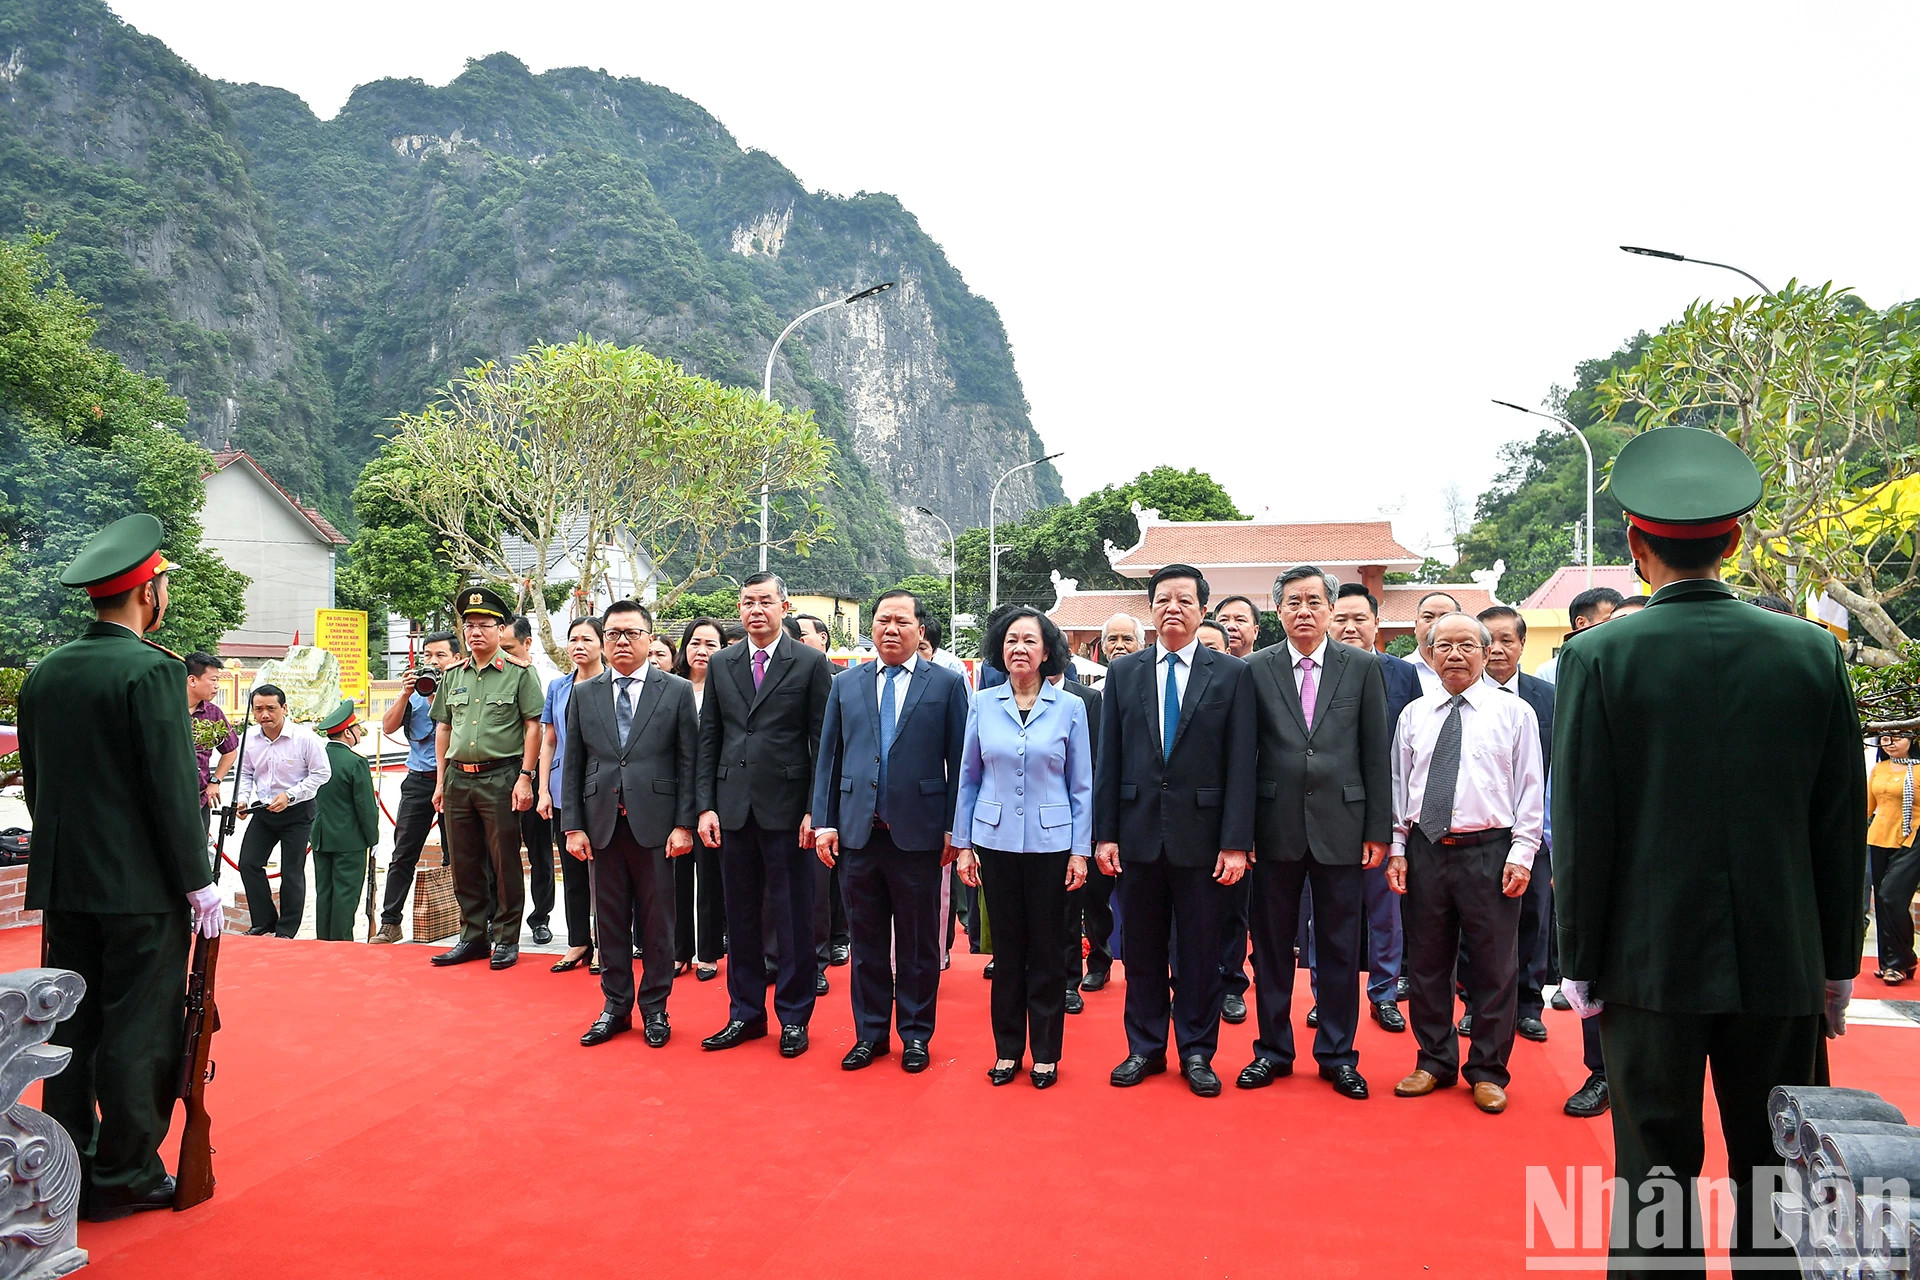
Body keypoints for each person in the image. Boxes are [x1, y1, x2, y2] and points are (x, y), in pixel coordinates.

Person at [1554, 426, 1865, 1268]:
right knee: (1777, 1168)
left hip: (1646, 960)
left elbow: (1582, 823)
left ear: (1634, 543)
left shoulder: (1595, 655)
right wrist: (1837, 963)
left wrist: (1578, 958)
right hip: (1783, 957)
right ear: (1734, 540)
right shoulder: (1813, 654)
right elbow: (1839, 826)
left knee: (1654, 1167)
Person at [18, 513, 223, 1220]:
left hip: (67, 885)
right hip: (141, 892)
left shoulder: (46, 673)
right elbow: (171, 788)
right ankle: (125, 1175)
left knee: (67, 1030)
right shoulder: (152, 670)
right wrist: (197, 879)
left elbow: (38, 786)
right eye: (163, 584)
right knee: (138, 1029)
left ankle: (60, 1166)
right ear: (148, 594)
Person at [1096, 563, 1256, 1098]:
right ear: (1151, 607)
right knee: (1140, 949)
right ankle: (1144, 1047)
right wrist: (1105, 833)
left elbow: (1241, 765)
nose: (1172, 608)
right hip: (1137, 835)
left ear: (1202, 609)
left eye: (1184, 600)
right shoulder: (1124, 673)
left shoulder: (1231, 674)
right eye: (1163, 599)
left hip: (1204, 839)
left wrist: (1236, 842)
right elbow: (1109, 760)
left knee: (1199, 950)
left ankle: (1196, 1050)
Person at [1237, 565, 1391, 1100]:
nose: (1304, 611)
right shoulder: (1254, 669)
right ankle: (1272, 1051)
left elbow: (1377, 752)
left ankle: (1337, 1054)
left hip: (1343, 828)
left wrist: (1378, 829)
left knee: (1340, 947)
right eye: (1293, 603)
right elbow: (1242, 757)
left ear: (1330, 609)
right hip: (1272, 826)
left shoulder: (1362, 668)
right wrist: (1241, 830)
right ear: (1276, 612)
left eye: (1314, 602)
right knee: (1273, 946)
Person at [1387, 613, 1543, 1115]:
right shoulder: (1414, 714)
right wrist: (1397, 848)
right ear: (1429, 655)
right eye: (1443, 646)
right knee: (1429, 964)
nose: (1454, 654)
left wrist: (1522, 852)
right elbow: (1398, 786)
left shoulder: (1515, 713)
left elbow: (1530, 790)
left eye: (1465, 645)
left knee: (1495, 966)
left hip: (1490, 851)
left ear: (1484, 651)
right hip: (1427, 849)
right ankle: (1433, 1060)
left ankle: (1488, 1071)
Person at [812, 590, 968, 1073]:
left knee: (920, 944)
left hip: (918, 836)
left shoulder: (945, 684)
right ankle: (870, 1034)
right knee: (866, 941)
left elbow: (961, 762)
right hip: (859, 833)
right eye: (882, 621)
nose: (890, 629)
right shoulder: (847, 683)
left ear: (921, 630)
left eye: (901, 621)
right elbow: (829, 759)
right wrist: (824, 822)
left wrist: (953, 830)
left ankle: (917, 1034)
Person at [696, 572, 834, 1057]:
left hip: (788, 809)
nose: (756, 610)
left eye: (765, 602)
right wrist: (706, 805)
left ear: (784, 605)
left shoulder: (811, 663)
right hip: (733, 809)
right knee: (741, 917)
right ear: (739, 609)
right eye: (747, 603)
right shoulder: (722, 663)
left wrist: (814, 810)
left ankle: (794, 1017)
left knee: (793, 917)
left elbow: (823, 741)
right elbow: (709, 736)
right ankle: (745, 1014)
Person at [953, 607, 1092, 1087]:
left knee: (1050, 951)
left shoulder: (1070, 707)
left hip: (1053, 845)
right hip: (995, 843)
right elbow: (969, 779)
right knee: (1007, 954)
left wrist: (1080, 850)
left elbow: (1082, 786)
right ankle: (1008, 1050)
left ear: (1047, 651)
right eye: (1011, 641)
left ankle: (1048, 1053)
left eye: (1030, 641)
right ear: (1000, 649)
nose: (1019, 649)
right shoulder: (982, 703)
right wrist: (964, 844)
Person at [563, 600, 699, 1048]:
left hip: (657, 826)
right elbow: (575, 763)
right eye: (614, 633)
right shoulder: (583, 693)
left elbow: (687, 762)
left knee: (659, 921)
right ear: (604, 640)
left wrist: (684, 824)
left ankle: (655, 1008)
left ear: (650, 638)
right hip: (602, 823)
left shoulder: (675, 690)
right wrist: (573, 825)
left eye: (632, 633)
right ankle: (615, 1007)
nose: (623, 641)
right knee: (611, 920)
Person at [429, 586, 544, 970]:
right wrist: (441, 781)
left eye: (484, 625)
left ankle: (507, 938)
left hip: (502, 776)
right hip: (459, 778)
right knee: (464, 860)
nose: (475, 632)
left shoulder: (518, 673)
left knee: (504, 859)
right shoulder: (453, 675)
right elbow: (444, 727)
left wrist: (526, 777)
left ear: (500, 630)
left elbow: (533, 728)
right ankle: (473, 935)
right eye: (469, 625)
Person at [1330, 582, 1422, 1015]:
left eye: (1359, 618)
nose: (1350, 627)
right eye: (1341, 618)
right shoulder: (1312, 672)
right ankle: (1327, 996)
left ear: (1376, 624)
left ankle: (1384, 993)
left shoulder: (1401, 674)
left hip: (1382, 809)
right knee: (1328, 915)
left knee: (1385, 909)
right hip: (1324, 813)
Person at [1473, 605, 1556, 1045]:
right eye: (1491, 640)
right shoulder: (1461, 698)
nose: (1499, 648)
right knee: (1478, 921)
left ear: (1523, 644)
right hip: (1479, 831)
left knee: (1533, 917)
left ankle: (1527, 1004)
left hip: (1535, 829)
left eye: (1508, 639)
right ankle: (1476, 1005)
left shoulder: (1547, 697)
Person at [372, 631, 458, 944]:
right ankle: (390, 922)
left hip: (455, 779)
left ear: (456, 659)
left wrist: (437, 695)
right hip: (419, 780)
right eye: (428, 656)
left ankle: (464, 918)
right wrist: (406, 694)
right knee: (404, 852)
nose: (433, 662)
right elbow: (389, 726)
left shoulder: (463, 687)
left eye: (440, 656)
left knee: (458, 853)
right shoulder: (415, 690)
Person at [235, 683, 331, 937]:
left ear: (284, 708)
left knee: (291, 871)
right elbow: (245, 772)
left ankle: (286, 929)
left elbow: (322, 774)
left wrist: (290, 795)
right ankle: (263, 921)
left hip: (297, 811)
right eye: (258, 709)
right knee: (248, 863)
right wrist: (242, 799)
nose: (264, 714)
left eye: (271, 708)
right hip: (264, 810)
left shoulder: (305, 738)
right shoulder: (250, 739)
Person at [538, 617, 604, 973]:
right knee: (573, 870)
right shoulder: (558, 687)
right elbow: (549, 740)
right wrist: (543, 787)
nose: (579, 645)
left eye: (587, 639)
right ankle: (579, 941)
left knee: (604, 873)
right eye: (573, 639)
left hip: (604, 788)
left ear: (602, 644)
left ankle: (605, 944)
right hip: (565, 788)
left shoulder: (614, 683)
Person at [1208, 594, 1262, 1026]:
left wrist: (1245, 831)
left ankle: (1230, 984)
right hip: (1184, 819)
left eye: (1237, 621)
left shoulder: (1248, 678)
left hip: (1235, 819)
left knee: (1232, 911)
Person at [672, 618, 728, 980]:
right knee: (675, 878)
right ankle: (679, 951)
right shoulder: (670, 688)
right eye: (695, 642)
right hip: (674, 796)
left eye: (711, 644)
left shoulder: (728, 690)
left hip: (715, 798)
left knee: (710, 878)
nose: (702, 650)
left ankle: (707, 951)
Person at [501, 615, 559, 946]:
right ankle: (502, 918)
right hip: (501, 774)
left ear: (527, 644)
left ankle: (540, 917)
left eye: (508, 647)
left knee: (540, 852)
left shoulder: (551, 680)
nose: (503, 654)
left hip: (537, 777)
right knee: (502, 852)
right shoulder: (493, 679)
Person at [310, 699, 379, 941]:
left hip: (321, 837)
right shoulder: (355, 762)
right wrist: (374, 838)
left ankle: (323, 942)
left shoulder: (316, 758)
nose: (359, 731)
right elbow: (366, 808)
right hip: (350, 840)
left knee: (324, 895)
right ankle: (341, 946)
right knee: (346, 897)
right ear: (348, 732)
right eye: (357, 727)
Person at [1054, 669, 1102, 1014]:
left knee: (1073, 907)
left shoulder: (1085, 700)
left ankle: (1070, 982)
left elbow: (1093, 767)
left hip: (1072, 821)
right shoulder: (1000, 699)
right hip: (1016, 827)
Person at [1867, 730, 1919, 983]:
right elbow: (1868, 806)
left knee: (1891, 897)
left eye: (1897, 737)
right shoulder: (1879, 769)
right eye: (1885, 738)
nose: (1890, 743)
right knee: (1883, 900)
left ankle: (1903, 958)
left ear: (1913, 739)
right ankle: (1892, 963)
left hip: (1913, 840)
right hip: (1878, 838)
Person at [186, 651, 237, 827]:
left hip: (200, 799)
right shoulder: (165, 708)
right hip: (165, 797)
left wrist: (215, 781)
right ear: (192, 680)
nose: (217, 686)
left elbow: (230, 751)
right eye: (213, 680)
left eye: (218, 680)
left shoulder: (213, 713)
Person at [1533, 586, 1622, 684]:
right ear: (1581, 623)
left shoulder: (1625, 664)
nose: (1617, 626)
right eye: (1609, 620)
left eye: (1621, 620)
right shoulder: (1549, 672)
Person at [1406, 591, 1461, 694]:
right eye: (1428, 617)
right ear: (1416, 625)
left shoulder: (1473, 669)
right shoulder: (1398, 670)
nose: (1436, 623)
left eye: (1444, 617)